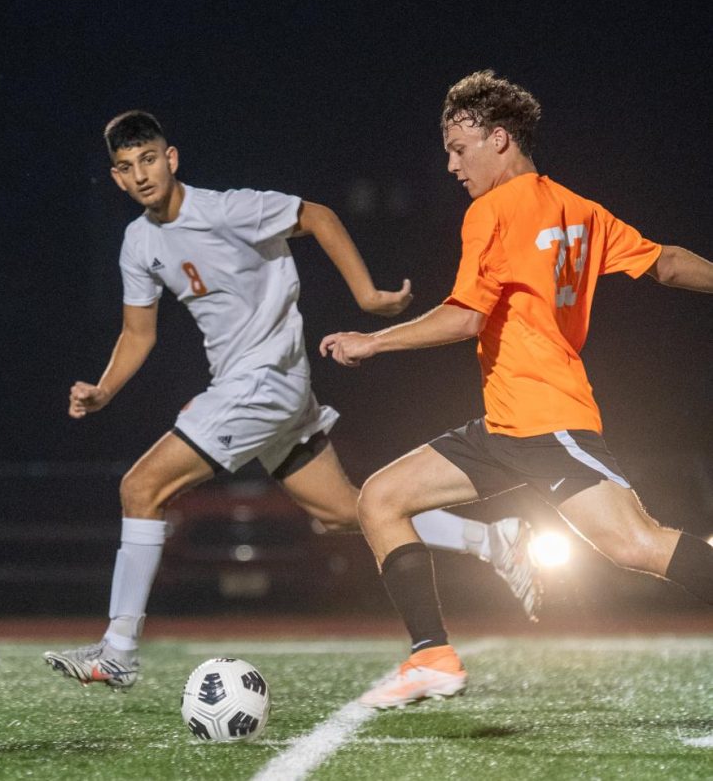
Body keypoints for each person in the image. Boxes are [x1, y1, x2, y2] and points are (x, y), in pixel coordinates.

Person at [44, 110, 540, 690]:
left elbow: (320, 217)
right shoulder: (138, 241)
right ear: (116, 178)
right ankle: (493, 540)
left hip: (263, 383)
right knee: (342, 513)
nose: (142, 175)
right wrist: (104, 389)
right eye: (128, 168)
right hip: (254, 387)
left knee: (139, 487)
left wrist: (368, 296)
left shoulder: (229, 209)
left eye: (149, 159)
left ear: (171, 158)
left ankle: (119, 650)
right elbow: (138, 333)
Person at [321, 70, 713, 709]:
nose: (450, 164)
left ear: (499, 138)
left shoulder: (492, 211)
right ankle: (433, 657)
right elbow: (665, 262)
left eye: (458, 147)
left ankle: (432, 657)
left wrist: (374, 341)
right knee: (382, 499)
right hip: (506, 423)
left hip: (546, 418)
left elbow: (466, 316)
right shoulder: (577, 208)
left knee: (638, 543)